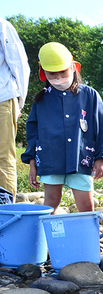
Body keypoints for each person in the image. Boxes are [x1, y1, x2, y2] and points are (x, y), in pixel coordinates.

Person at [21, 42, 103, 214]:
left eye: (63, 72)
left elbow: (102, 126)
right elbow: (32, 133)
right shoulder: (41, 100)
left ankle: (87, 239)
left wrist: (101, 158)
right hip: (50, 157)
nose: (58, 78)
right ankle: (50, 237)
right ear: (43, 73)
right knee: (51, 201)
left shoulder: (90, 95)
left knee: (86, 203)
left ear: (73, 67)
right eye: (52, 74)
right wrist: (32, 162)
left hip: (81, 157)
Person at [0, 18, 29, 204]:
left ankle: (5, 207)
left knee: (3, 155)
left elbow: (19, 64)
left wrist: (19, 102)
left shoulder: (2, 25)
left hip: (2, 96)